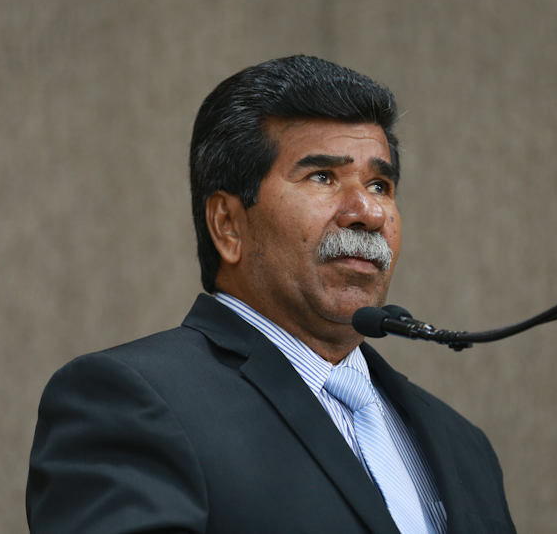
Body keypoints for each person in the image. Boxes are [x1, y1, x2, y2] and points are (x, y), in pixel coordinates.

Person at [26, 55, 517, 534]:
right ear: (228, 225)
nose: (367, 211)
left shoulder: (462, 444)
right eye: (322, 176)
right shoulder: (129, 401)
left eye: (380, 183)